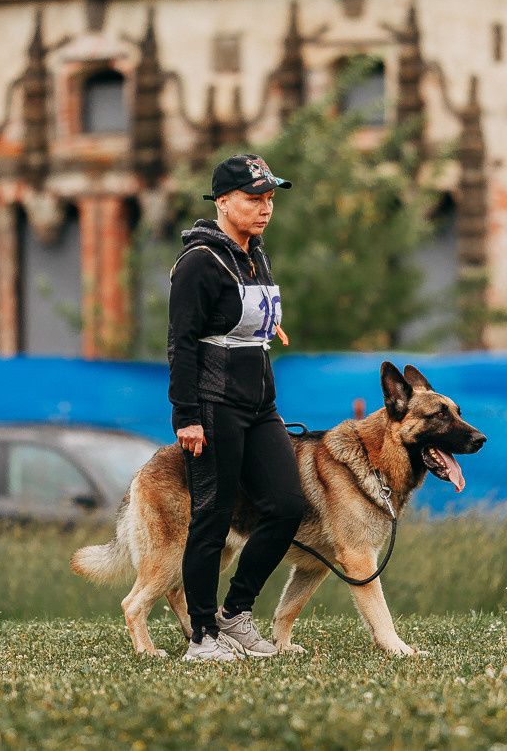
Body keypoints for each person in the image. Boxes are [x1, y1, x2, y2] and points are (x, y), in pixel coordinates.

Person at [167, 154, 306, 662]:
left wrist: (265, 327)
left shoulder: (254, 254)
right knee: (212, 516)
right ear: (223, 202)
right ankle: (203, 636)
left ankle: (235, 613)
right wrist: (186, 414)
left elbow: (239, 313)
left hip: (260, 404)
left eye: (270, 198)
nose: (265, 208)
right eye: (254, 199)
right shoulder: (199, 261)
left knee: (287, 505)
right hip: (213, 403)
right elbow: (182, 342)